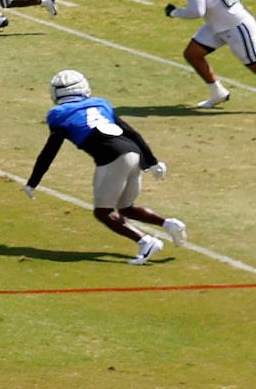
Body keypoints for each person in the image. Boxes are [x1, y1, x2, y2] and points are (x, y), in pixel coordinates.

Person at [28, 70, 185, 264]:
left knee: (103, 212)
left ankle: (146, 242)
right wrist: (151, 161)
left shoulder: (58, 114)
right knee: (126, 208)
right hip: (133, 152)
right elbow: (131, 132)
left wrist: (33, 181)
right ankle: (168, 224)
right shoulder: (101, 103)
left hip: (112, 159)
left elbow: (50, 151)